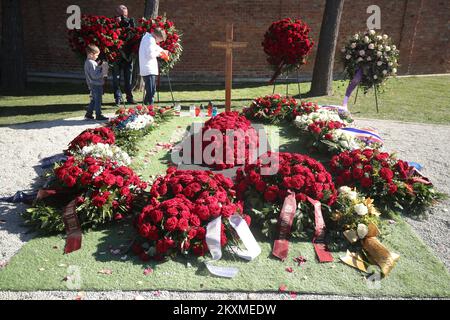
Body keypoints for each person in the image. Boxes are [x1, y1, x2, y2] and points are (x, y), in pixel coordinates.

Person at [112, 4, 136, 106]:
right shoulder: (112, 23)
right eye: (121, 15)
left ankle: (129, 97)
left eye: (125, 15)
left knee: (128, 77)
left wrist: (129, 25)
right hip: (116, 54)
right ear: (116, 13)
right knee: (116, 77)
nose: (123, 17)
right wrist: (116, 24)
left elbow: (135, 34)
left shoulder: (130, 22)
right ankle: (117, 98)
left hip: (128, 54)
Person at [139, 28, 168, 105]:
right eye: (160, 40)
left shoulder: (148, 38)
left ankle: (146, 108)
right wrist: (161, 54)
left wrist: (163, 51)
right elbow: (150, 54)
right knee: (151, 91)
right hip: (149, 69)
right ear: (156, 36)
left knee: (150, 91)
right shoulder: (150, 40)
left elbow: (155, 47)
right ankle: (150, 108)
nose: (158, 42)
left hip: (147, 69)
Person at [84, 44, 109, 121]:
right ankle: (98, 115)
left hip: (92, 84)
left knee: (94, 100)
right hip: (96, 84)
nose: (97, 57)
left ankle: (89, 114)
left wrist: (98, 66)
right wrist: (103, 70)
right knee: (98, 100)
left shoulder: (88, 62)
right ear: (91, 54)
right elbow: (95, 75)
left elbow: (93, 72)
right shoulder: (91, 63)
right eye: (96, 55)